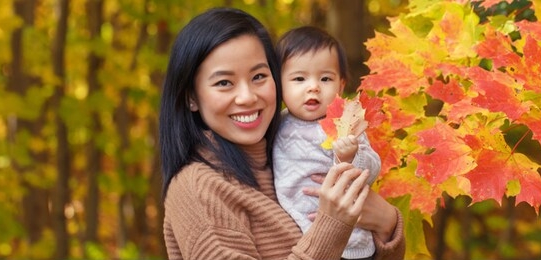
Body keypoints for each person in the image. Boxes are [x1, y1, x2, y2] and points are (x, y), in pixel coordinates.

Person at [158, 7, 405, 260]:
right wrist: (332, 225)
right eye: (224, 83)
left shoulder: (289, 159)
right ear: (191, 97)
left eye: (259, 76)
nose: (247, 96)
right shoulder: (197, 187)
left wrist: (386, 223)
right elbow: (327, 236)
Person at [273, 26, 381, 260]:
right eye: (299, 78)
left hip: (349, 241)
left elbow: (373, 168)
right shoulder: (275, 125)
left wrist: (349, 157)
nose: (313, 86)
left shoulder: (345, 124)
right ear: (279, 84)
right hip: (298, 237)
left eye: (325, 78)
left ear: (341, 85)